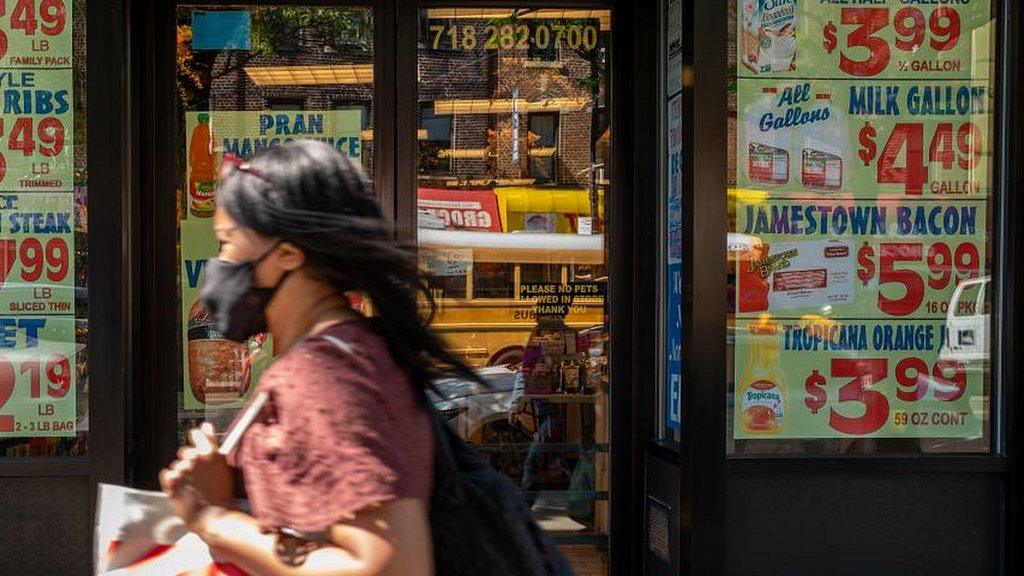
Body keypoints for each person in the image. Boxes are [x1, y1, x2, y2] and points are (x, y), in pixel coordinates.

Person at [159, 140, 480, 576]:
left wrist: (213, 519)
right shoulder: (348, 352)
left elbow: (391, 567)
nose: (219, 265)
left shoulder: (325, 373)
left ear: (288, 254)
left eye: (228, 243)